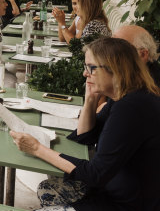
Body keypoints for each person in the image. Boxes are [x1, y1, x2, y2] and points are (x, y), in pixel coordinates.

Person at [10, 37, 160, 210]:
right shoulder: (121, 96)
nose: (85, 74)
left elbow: (95, 174)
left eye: (91, 68)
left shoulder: (132, 107)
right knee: (48, 188)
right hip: (111, 190)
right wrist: (90, 99)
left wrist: (37, 148)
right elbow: (85, 136)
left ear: (115, 69)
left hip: (126, 204)